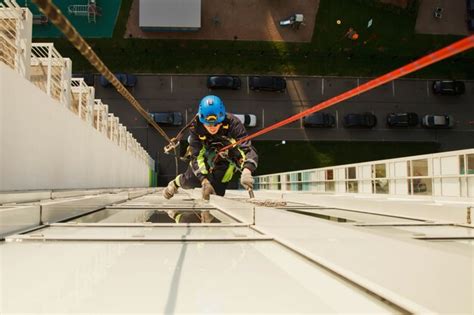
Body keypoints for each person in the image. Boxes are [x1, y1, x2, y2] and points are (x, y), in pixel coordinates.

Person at [163, 95, 258, 200]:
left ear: (221, 119)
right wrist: (204, 181)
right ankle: (176, 183)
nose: (212, 128)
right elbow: (196, 156)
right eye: (208, 124)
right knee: (189, 181)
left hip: (226, 158)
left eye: (216, 124)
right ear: (202, 120)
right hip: (205, 155)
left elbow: (246, 146)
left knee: (217, 194)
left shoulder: (233, 123)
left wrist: (247, 169)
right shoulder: (196, 127)